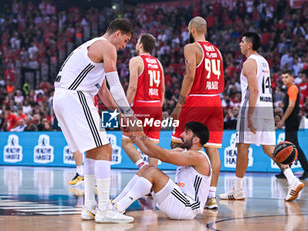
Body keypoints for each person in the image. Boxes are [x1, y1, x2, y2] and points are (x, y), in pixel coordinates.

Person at [53, 18, 134, 223]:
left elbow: (104, 92)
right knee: (105, 149)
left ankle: (89, 207)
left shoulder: (92, 47)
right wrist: (128, 113)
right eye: (125, 40)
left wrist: (118, 114)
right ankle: (105, 208)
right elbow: (116, 87)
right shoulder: (107, 47)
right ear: (117, 34)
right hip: (76, 96)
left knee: (92, 150)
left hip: (62, 98)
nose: (124, 46)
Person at [219, 32, 304, 201]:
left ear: (249, 45)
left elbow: (254, 90)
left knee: (242, 147)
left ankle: (238, 190)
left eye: (242, 42)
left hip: (254, 107)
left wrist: (249, 114)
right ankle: (293, 180)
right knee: (270, 148)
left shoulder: (249, 63)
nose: (240, 44)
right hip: (266, 108)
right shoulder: (264, 61)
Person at [170, 16, 224, 209]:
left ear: (192, 30)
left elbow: (190, 75)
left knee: (177, 142)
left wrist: (179, 104)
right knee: (213, 150)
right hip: (216, 100)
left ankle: (182, 190)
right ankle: (211, 196)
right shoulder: (217, 50)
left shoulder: (191, 47)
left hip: (197, 99)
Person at [113, 121, 211, 220]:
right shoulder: (184, 152)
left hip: (188, 207)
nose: (181, 135)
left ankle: (119, 208)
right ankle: (115, 204)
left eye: (186, 132)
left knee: (153, 172)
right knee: (146, 168)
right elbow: (150, 152)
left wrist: (142, 135)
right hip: (179, 201)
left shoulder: (198, 157)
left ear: (195, 139)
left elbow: (164, 156)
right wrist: (133, 136)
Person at [122, 33, 165, 168]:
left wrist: (125, 110)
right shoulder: (158, 63)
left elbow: (133, 87)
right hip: (156, 106)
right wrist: (159, 107)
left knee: (126, 142)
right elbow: (162, 89)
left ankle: (143, 167)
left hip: (142, 105)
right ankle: (154, 179)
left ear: (140, 45)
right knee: (152, 145)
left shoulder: (135, 61)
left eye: (137, 42)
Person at [276, 70, 308, 180]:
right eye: (283, 77)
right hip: (291, 120)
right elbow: (289, 105)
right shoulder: (289, 89)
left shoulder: (293, 88)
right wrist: (283, 105)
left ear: (292, 78)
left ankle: (306, 169)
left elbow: (291, 106)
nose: (284, 79)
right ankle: (286, 171)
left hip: (292, 120)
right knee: (289, 146)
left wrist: (282, 120)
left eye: (286, 77)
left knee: (294, 146)